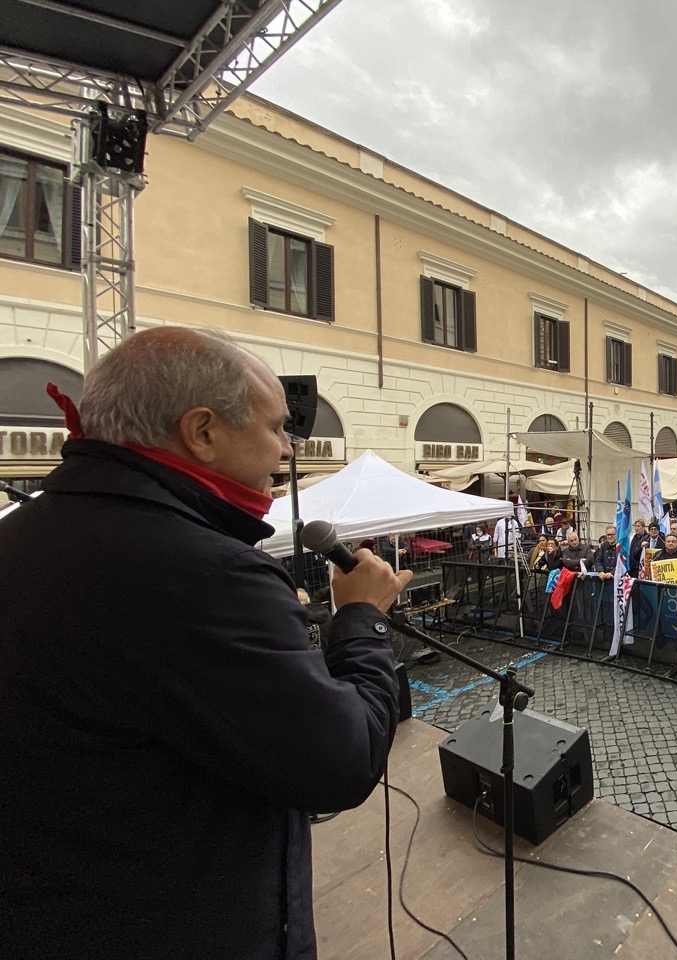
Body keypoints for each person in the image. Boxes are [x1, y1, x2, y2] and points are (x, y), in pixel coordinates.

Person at [0, 327, 412, 959]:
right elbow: (343, 760)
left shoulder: (26, 535)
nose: (284, 449)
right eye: (276, 428)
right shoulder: (206, 572)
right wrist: (361, 617)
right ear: (202, 431)